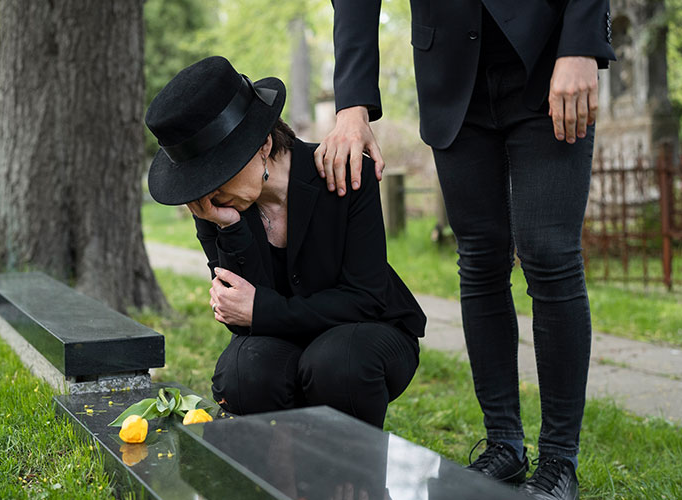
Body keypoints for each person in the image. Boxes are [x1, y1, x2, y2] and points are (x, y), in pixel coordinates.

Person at [317, 2, 615, 499]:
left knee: (548, 253)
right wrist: (353, 104)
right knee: (479, 258)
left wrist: (582, 44)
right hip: (450, 69)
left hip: (549, 53)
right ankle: (505, 444)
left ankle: (560, 460)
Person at [144, 56, 426, 429]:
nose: (208, 192)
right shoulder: (216, 207)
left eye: (218, 172)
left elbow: (365, 298)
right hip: (284, 341)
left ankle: (353, 478)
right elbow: (242, 323)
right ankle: (277, 477)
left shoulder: (341, 171)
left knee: (335, 364)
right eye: (199, 179)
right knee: (243, 371)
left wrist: (264, 310)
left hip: (368, 333)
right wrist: (228, 228)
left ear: (263, 145)